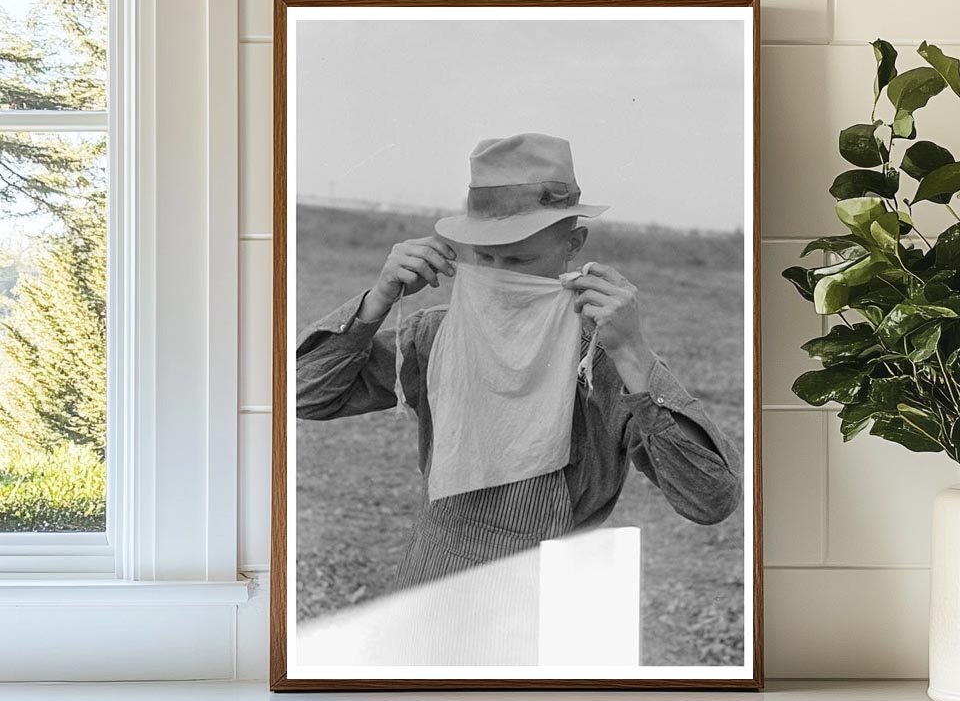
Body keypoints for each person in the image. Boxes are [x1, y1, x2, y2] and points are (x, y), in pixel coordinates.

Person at [296, 132, 742, 592]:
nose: (499, 274)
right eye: (485, 256)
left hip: (557, 596)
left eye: (521, 258)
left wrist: (633, 353)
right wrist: (378, 299)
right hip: (435, 585)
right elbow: (303, 394)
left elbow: (711, 500)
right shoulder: (437, 336)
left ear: (574, 244)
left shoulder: (605, 358)